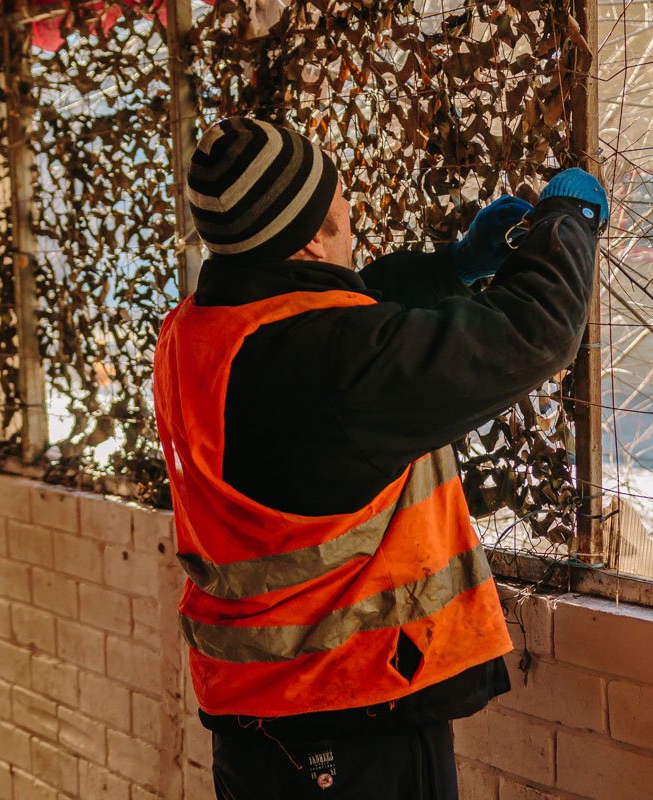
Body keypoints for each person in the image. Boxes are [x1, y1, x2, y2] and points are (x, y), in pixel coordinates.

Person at [152, 116, 607, 799]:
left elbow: (337, 318)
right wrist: (568, 220)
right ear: (308, 240)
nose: (352, 224)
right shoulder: (333, 368)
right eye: (342, 215)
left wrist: (452, 268)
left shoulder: (196, 332)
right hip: (352, 716)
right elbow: (532, 334)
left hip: (256, 720)